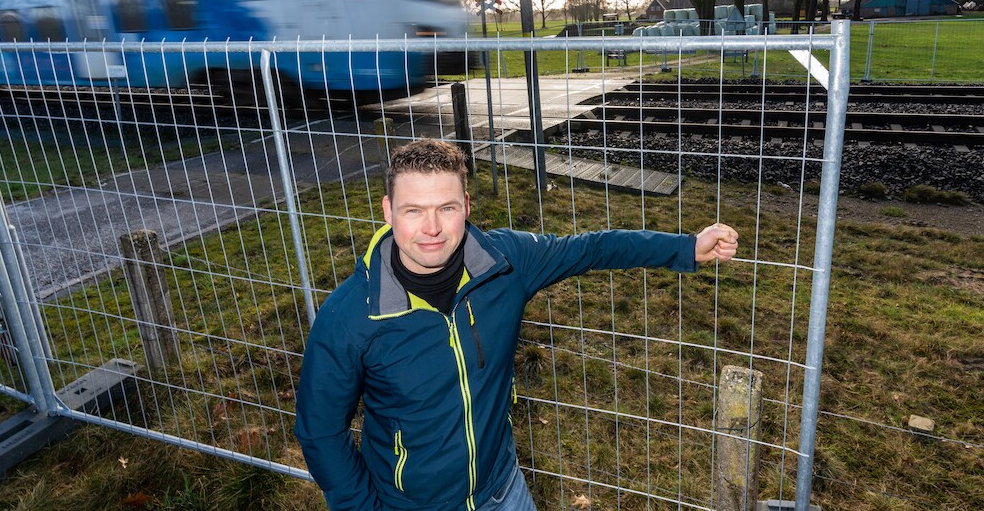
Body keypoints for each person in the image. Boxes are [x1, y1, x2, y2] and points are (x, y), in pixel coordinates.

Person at [295, 139, 738, 511]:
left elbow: (591, 249)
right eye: (414, 211)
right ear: (389, 211)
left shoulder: (505, 263)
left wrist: (684, 248)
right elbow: (320, 431)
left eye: (446, 208)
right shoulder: (350, 316)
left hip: (504, 491)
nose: (431, 228)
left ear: (466, 206)